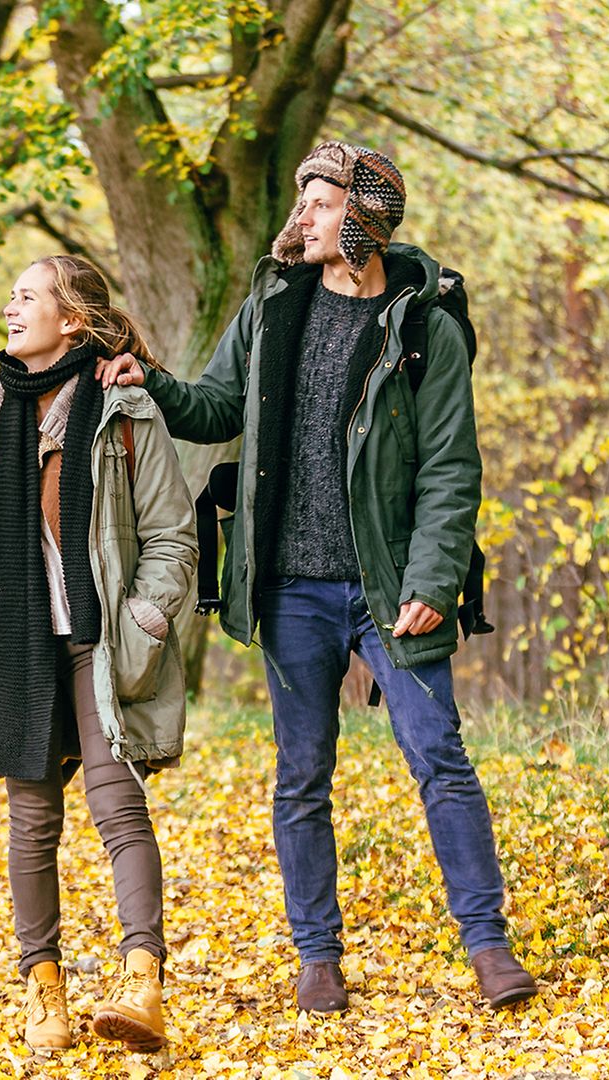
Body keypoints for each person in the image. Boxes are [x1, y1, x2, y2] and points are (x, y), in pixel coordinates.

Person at [99, 141, 537, 1012]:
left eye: (322, 203)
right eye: (302, 200)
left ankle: (488, 949)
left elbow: (451, 467)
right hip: (290, 585)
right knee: (303, 772)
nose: (302, 217)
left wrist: (433, 577)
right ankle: (318, 956)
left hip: (391, 587)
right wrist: (149, 380)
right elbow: (219, 406)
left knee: (440, 757)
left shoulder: (426, 327)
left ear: (365, 218)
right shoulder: (272, 305)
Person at [0, 255, 199, 1052]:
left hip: (97, 636)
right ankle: (43, 988)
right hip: (15, 638)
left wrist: (146, 617)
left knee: (118, 807)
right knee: (31, 821)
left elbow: (171, 534)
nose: (10, 306)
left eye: (28, 296)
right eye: (9, 294)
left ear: (71, 318)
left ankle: (142, 984)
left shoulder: (124, 406)